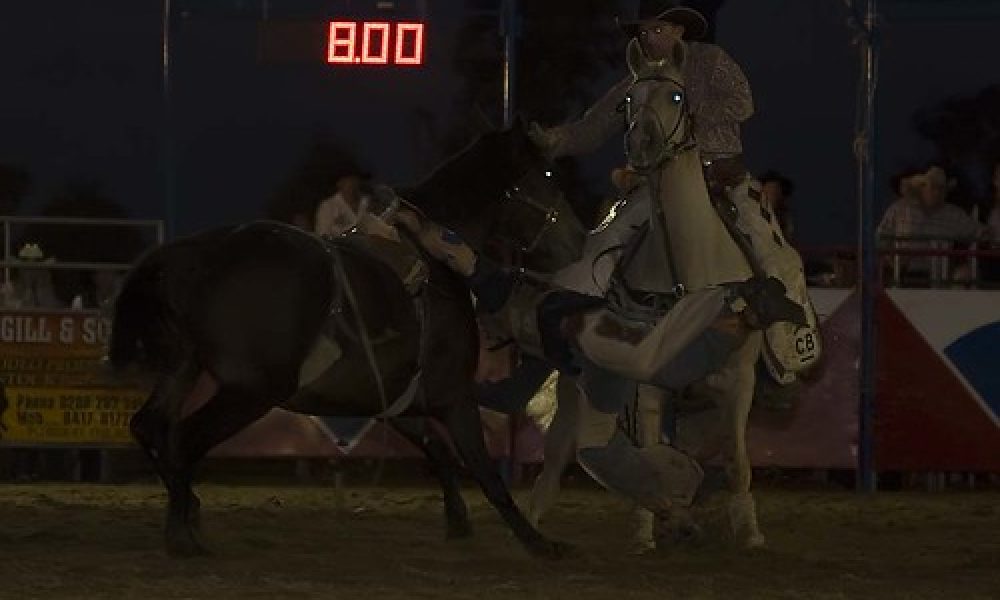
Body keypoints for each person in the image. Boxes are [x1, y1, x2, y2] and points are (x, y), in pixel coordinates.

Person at [529, 0, 753, 196]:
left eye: (657, 30)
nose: (649, 40)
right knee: (612, 235)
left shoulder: (711, 60)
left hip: (720, 176)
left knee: (755, 231)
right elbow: (596, 125)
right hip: (657, 180)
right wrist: (552, 139)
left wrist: (691, 112)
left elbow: (743, 104)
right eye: (644, 33)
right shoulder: (639, 82)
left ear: (678, 30)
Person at [877, 163, 991, 286]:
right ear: (922, 188)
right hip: (903, 276)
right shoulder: (899, 209)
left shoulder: (953, 214)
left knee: (964, 274)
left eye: (941, 188)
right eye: (932, 186)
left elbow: (981, 232)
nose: (937, 192)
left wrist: (988, 235)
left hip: (939, 279)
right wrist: (891, 260)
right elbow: (879, 239)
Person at [758, 170, 795, 242]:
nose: (774, 192)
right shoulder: (752, 208)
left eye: (777, 189)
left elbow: (787, 237)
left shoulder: (783, 214)